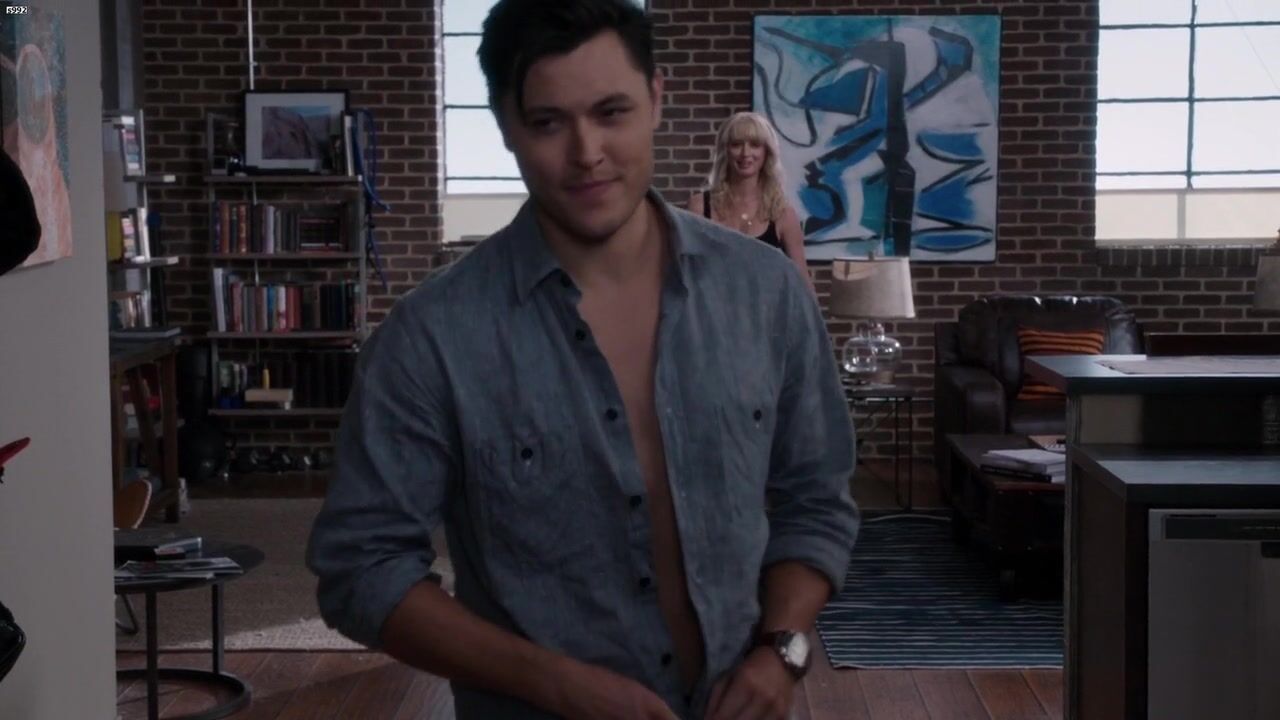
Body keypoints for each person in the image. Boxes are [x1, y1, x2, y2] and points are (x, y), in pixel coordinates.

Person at [306, 1, 858, 719]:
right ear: (505, 125)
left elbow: (816, 498)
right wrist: (555, 684)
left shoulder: (767, 293)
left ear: (656, 98)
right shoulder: (429, 338)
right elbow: (362, 567)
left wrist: (781, 651)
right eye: (547, 122)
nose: (587, 152)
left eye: (611, 112)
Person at [688, 112, 814, 293]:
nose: (745, 153)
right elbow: (687, 275)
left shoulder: (783, 214)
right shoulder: (699, 207)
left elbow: (803, 285)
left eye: (754, 145)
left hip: (767, 310)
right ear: (725, 150)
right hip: (713, 309)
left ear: (766, 152)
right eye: (736, 144)